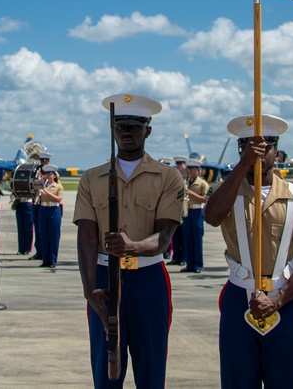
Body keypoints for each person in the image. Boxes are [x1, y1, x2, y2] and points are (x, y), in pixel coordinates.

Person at [205, 114, 293, 388]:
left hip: (286, 298)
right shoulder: (227, 192)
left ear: (277, 151)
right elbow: (212, 216)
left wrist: (279, 299)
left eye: (265, 146)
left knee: (286, 381)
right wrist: (244, 163)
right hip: (239, 297)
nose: (258, 151)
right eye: (247, 146)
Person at [74, 93, 184, 389]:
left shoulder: (168, 177)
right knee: (106, 368)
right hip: (103, 280)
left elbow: (164, 235)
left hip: (148, 278)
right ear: (112, 129)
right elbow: (85, 236)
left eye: (135, 125)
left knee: (151, 368)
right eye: (121, 125)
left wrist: (132, 248)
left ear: (148, 129)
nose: (127, 131)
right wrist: (88, 290)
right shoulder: (92, 178)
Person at [181, 160, 209, 273]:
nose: (190, 171)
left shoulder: (202, 183)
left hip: (197, 211)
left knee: (197, 239)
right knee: (188, 238)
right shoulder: (186, 182)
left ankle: (197, 264)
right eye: (189, 169)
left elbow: (206, 199)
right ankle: (189, 264)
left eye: (192, 169)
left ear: (197, 170)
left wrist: (192, 194)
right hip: (187, 211)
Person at [36, 164, 63, 268]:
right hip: (43, 209)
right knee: (44, 235)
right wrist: (38, 192)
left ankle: (52, 260)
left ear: (54, 176)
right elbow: (38, 199)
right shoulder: (42, 186)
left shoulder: (58, 187)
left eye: (49, 174)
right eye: (46, 174)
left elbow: (59, 199)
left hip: (53, 209)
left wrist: (46, 192)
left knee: (53, 235)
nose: (47, 176)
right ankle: (45, 259)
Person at [30, 152, 52, 261]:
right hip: (38, 203)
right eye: (42, 161)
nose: (44, 163)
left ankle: (46, 253)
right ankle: (39, 251)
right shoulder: (36, 173)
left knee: (47, 232)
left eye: (46, 161)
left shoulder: (53, 174)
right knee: (38, 230)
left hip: (47, 204)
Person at [167, 156, 189, 265]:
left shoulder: (187, 179)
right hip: (175, 209)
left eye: (181, 164)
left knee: (183, 236)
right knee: (175, 236)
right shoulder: (174, 177)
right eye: (177, 164)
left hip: (185, 210)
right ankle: (176, 257)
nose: (179, 167)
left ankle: (183, 258)